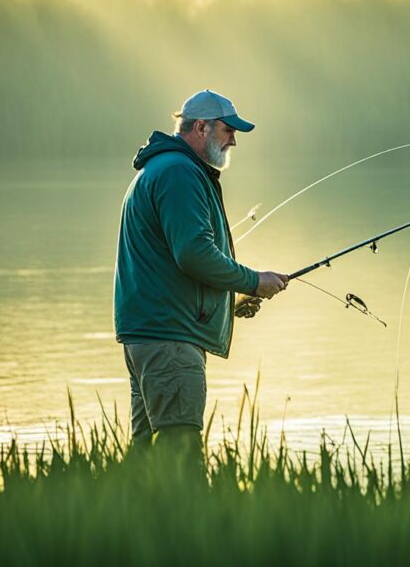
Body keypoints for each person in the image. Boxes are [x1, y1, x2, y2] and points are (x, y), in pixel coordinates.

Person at [113, 89, 288, 477]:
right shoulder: (178, 173)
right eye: (228, 130)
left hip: (154, 333)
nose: (233, 139)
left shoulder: (167, 169)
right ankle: (188, 529)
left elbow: (175, 263)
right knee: (180, 452)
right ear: (200, 127)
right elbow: (193, 254)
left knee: (145, 456)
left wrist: (230, 299)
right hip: (169, 339)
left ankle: (125, 529)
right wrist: (253, 281)